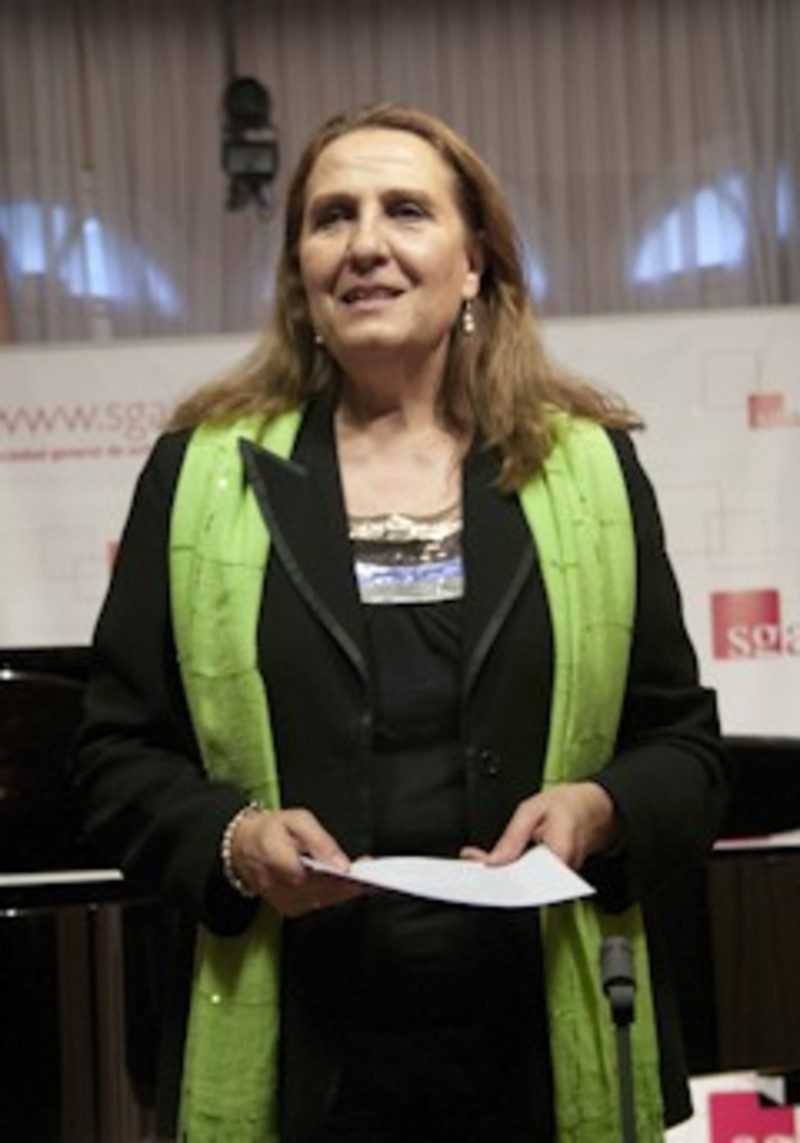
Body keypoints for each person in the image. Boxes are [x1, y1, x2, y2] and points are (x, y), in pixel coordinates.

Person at [70, 102, 730, 1143]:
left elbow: (682, 749)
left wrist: (599, 809)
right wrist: (235, 841)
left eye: (406, 211)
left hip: (531, 1049)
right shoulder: (198, 474)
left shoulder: (591, 469)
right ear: (301, 271)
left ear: (473, 264)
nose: (364, 243)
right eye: (332, 216)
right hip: (299, 1055)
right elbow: (113, 759)